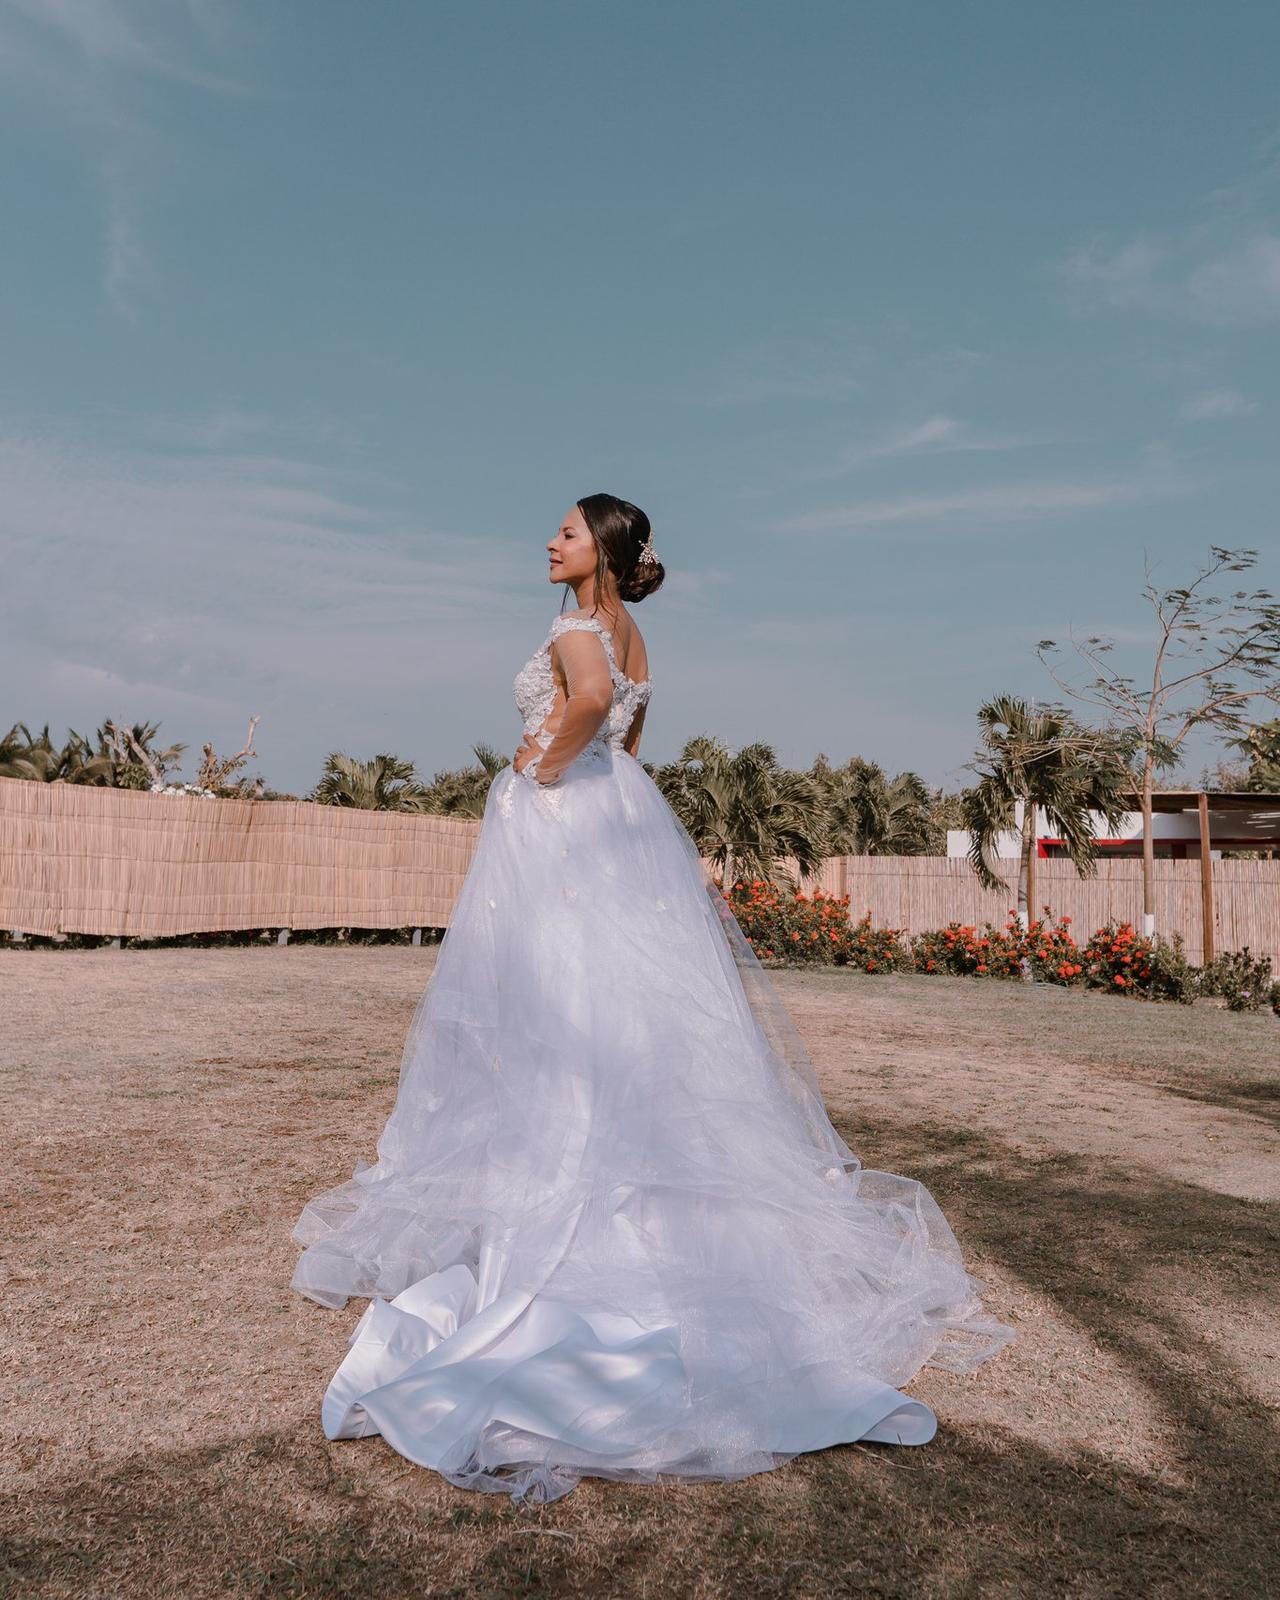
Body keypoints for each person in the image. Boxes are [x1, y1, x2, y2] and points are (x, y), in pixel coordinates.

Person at [290, 493, 1012, 1505]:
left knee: (551, 1013)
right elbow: (628, 743)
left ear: (605, 551)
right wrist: (586, 779)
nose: (549, 540)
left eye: (568, 531)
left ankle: (571, 1228)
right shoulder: (635, 634)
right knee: (625, 1017)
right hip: (616, 822)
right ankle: (635, 1212)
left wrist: (532, 769)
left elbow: (586, 707)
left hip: (561, 817)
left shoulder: (577, 626)